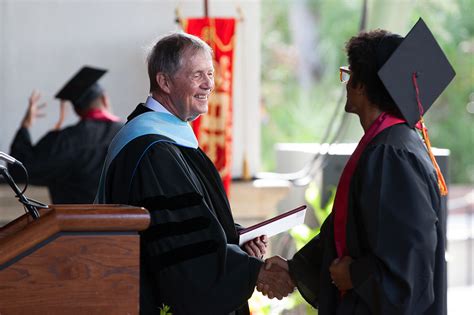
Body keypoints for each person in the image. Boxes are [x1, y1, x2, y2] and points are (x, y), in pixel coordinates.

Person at [262, 18, 454, 315]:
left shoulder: (392, 154)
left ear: (362, 85)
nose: (346, 84)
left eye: (348, 75)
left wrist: (355, 275)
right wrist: (294, 270)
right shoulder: (390, 142)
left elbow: (408, 267)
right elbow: (350, 233)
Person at [95, 32, 293, 315]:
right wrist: (253, 271)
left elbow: (187, 227)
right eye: (197, 74)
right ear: (164, 81)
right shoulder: (154, 150)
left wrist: (237, 239)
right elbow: (182, 249)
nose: (209, 84)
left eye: (210, 73)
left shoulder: (166, 139)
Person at [9, 67, 123, 204]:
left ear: (76, 110)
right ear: (104, 99)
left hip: (74, 223)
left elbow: (21, 170)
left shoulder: (66, 140)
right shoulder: (129, 133)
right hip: (125, 223)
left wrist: (25, 126)